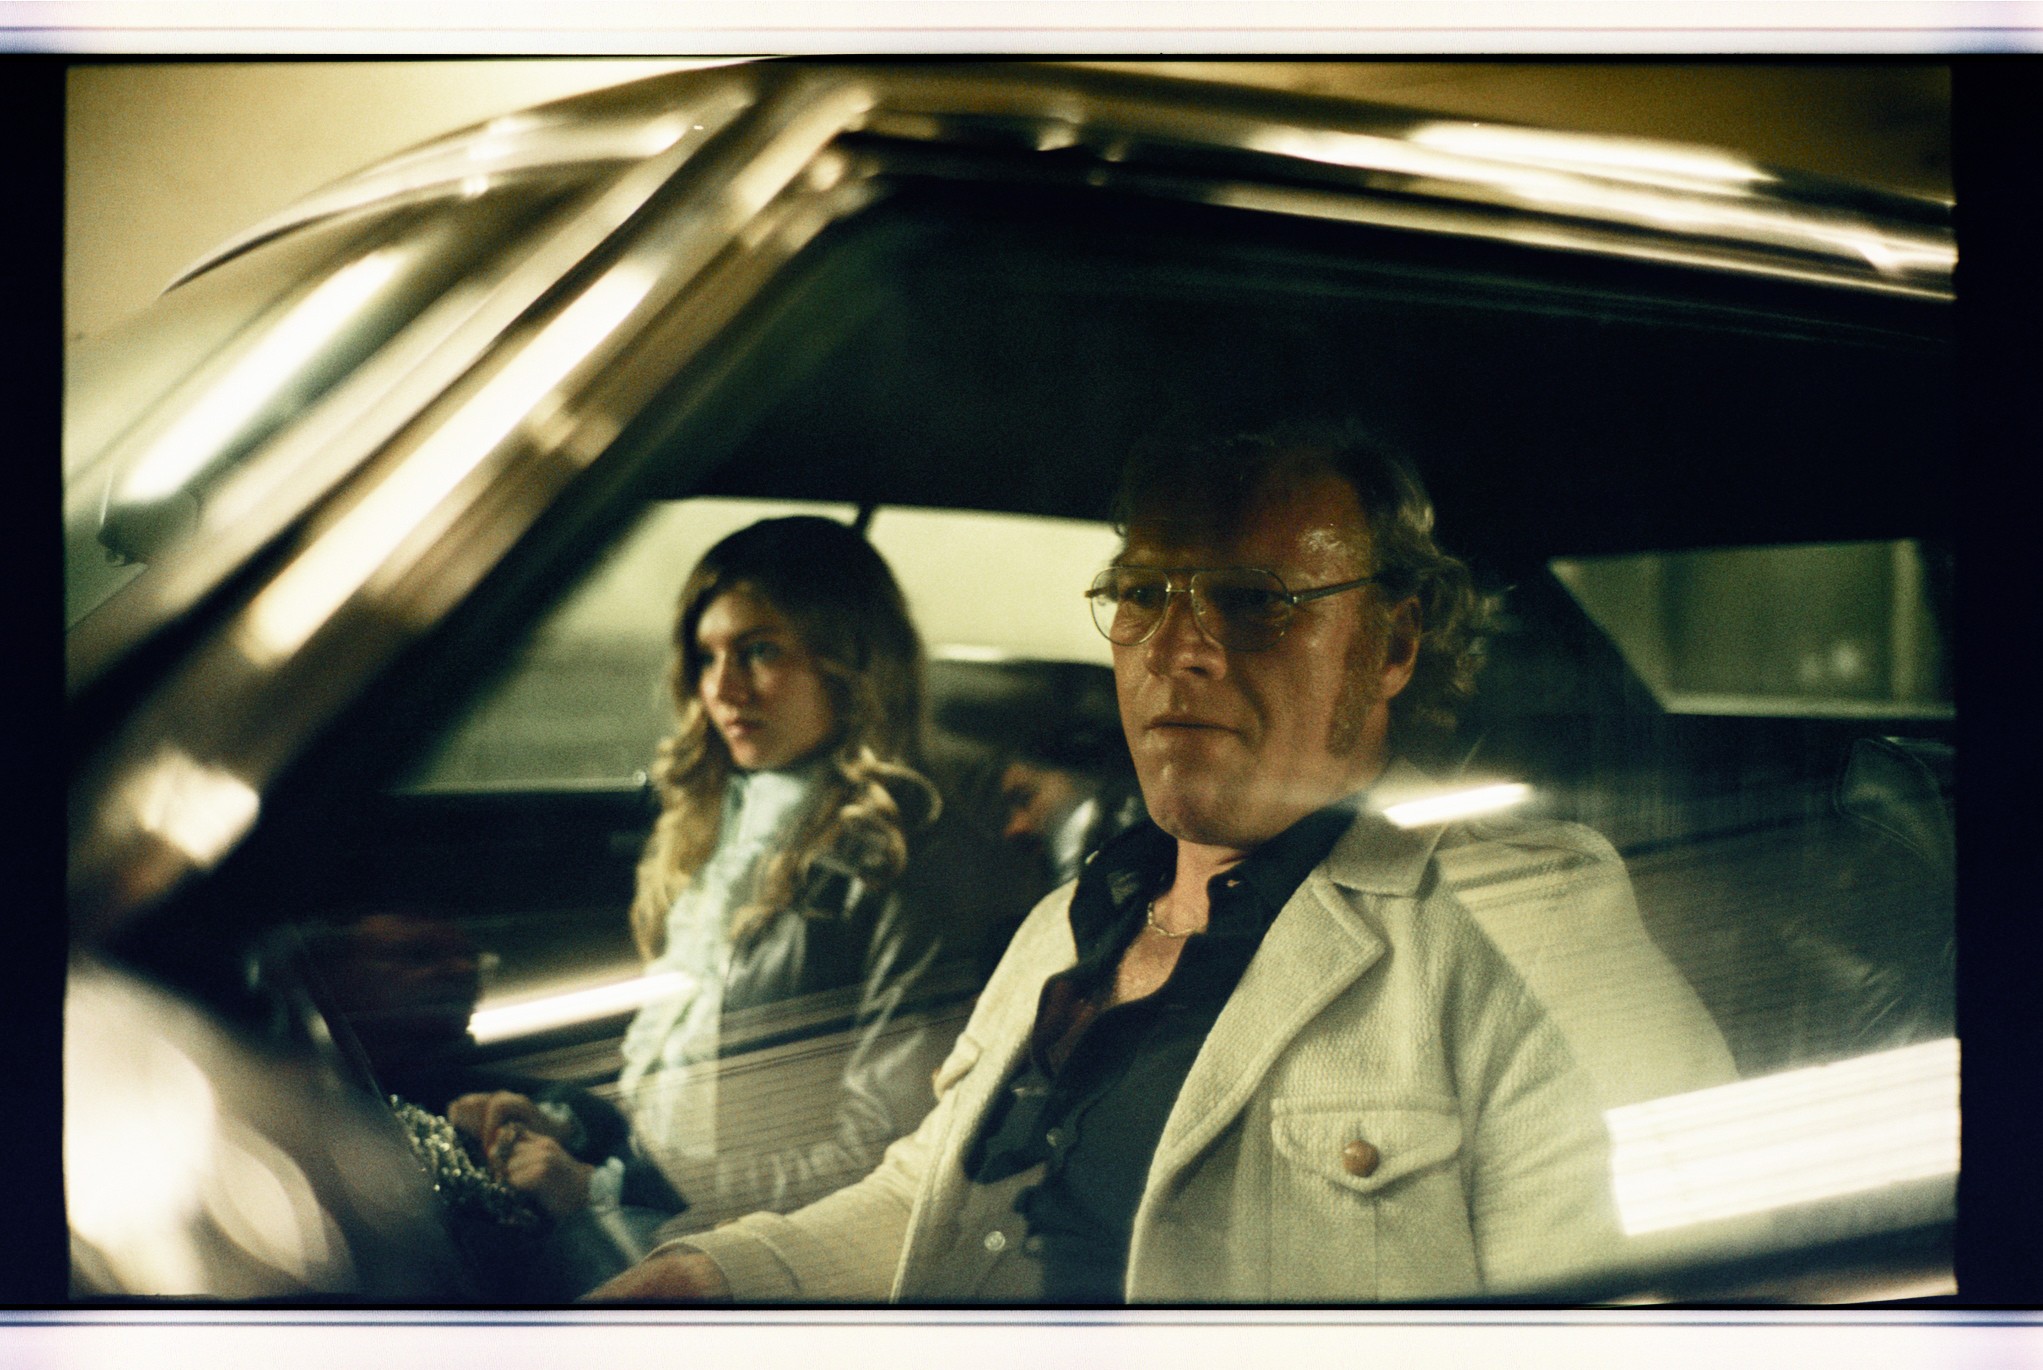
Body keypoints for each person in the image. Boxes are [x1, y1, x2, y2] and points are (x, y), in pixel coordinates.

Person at [587, 424, 1733, 1304]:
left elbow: (1660, 1308)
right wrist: (714, 1274)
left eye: (1253, 602)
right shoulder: (1070, 921)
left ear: (1391, 644)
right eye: (1144, 593)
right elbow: (930, 1197)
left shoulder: (1524, 925)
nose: (1178, 649)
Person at [450, 515, 1021, 1291]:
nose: (722, 689)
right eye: (707, 656)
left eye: (760, 651)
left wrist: (608, 1191)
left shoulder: (910, 863)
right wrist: (567, 1120)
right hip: (652, 1196)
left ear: (849, 662)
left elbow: (878, 1157)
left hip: (746, 1250)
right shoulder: (718, 821)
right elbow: (668, 1073)